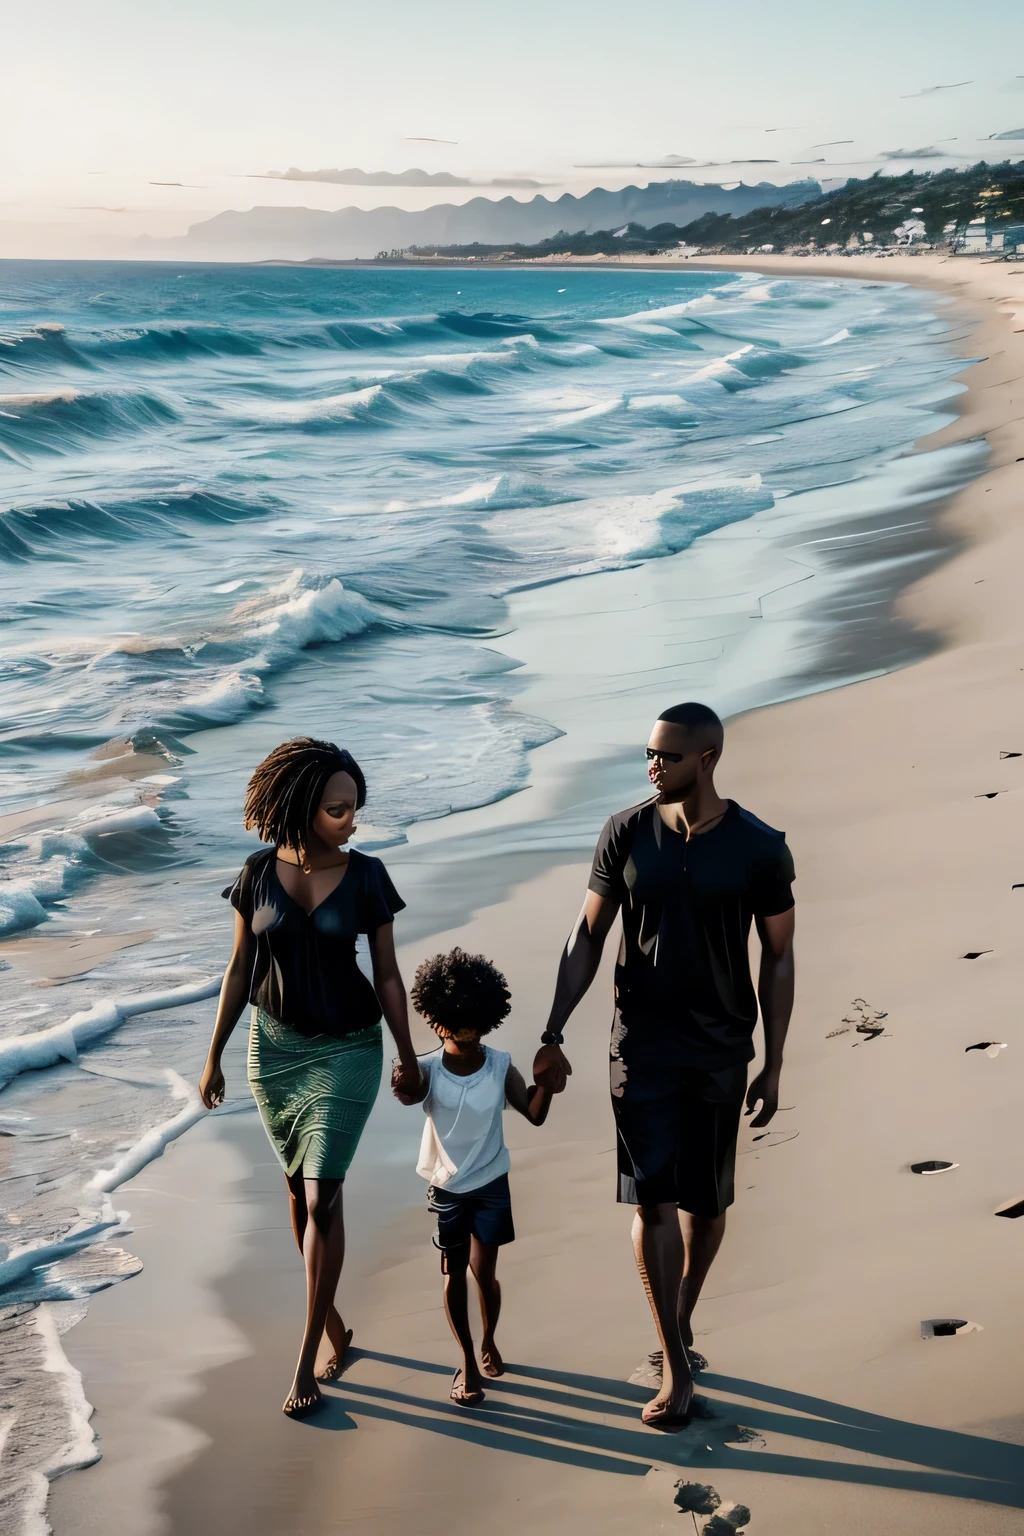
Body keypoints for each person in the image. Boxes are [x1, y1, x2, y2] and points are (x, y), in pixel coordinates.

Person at [533, 702, 795, 1429]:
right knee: (651, 1203)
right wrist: (553, 1029)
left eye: (668, 757)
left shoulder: (759, 848)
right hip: (638, 1047)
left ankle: (677, 1317)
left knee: (705, 1208)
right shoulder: (624, 832)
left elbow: (778, 956)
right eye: (648, 754)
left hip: (718, 1047)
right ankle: (676, 1366)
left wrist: (773, 1063)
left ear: (708, 758)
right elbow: (587, 936)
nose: (653, 766)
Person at [198, 737, 420, 1420]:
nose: (350, 819)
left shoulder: (367, 876)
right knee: (300, 1194)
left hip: (349, 1048)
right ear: (301, 805)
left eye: (354, 807)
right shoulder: (257, 872)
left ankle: (307, 1360)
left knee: (323, 1196)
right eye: (336, 809)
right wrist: (213, 1056)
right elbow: (239, 971)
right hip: (274, 1052)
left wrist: (408, 1054)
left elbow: (385, 972)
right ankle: (335, 1327)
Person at [393, 947, 553, 1407]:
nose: (466, 1026)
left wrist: (547, 1085)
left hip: (492, 1185)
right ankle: (466, 1359)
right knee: (453, 1274)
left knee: (485, 1275)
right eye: (456, 1017)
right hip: (447, 1189)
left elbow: (535, 1115)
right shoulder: (425, 1071)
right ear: (437, 1017)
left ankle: (489, 1340)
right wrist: (400, 1079)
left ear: (488, 1016)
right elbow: (407, 1093)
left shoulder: (500, 1065)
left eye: (474, 1018)